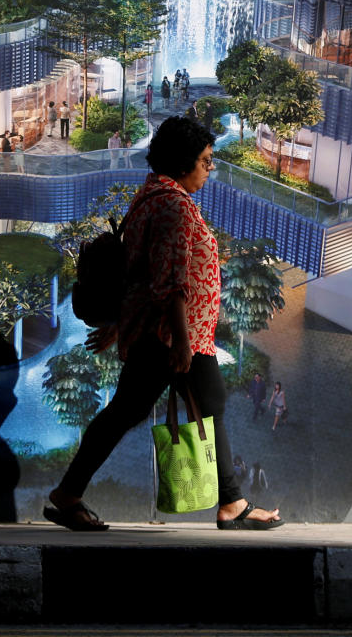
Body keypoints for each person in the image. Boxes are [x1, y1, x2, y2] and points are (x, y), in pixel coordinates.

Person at [42, 116, 284, 532]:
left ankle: (230, 503)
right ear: (183, 162)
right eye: (206, 161)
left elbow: (142, 276)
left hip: (168, 332)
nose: (210, 169)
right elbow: (170, 281)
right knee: (163, 408)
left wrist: (126, 325)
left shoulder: (152, 196)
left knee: (182, 407)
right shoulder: (172, 204)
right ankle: (69, 495)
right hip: (173, 335)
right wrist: (182, 343)